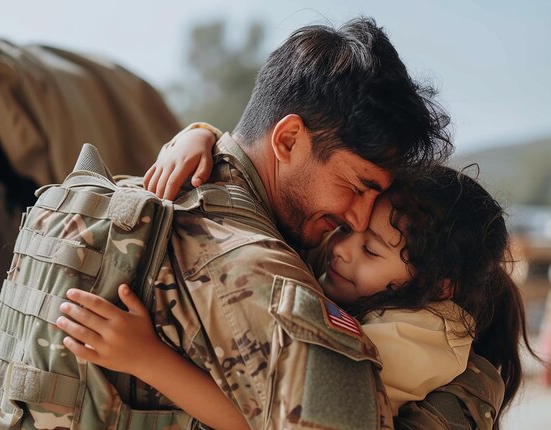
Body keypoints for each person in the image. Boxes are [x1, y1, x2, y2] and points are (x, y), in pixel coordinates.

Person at [56, 17, 456, 429]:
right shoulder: (262, 272)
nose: (357, 218)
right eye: (356, 185)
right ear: (286, 140)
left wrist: (201, 132)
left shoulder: (161, 195)